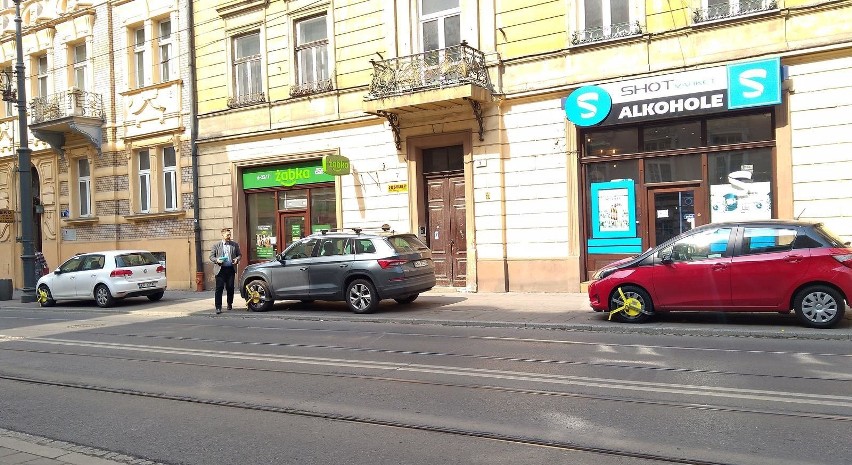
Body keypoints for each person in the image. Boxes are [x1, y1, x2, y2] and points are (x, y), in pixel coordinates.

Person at [209, 228, 242, 314]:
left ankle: (229, 303)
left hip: (230, 269)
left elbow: (239, 255)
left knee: (230, 287)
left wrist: (237, 259)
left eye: (230, 235)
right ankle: (218, 307)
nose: (229, 236)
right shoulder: (216, 245)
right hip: (220, 270)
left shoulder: (234, 245)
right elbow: (211, 257)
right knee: (219, 288)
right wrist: (217, 260)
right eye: (227, 235)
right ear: (222, 235)